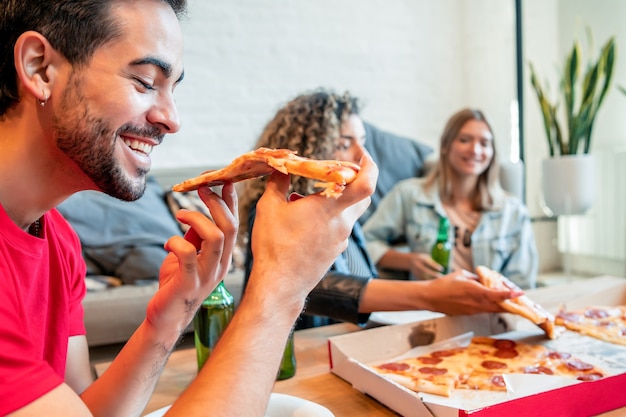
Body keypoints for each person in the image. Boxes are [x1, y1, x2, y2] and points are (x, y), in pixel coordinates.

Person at [0, 2, 377, 416]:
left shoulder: (57, 241)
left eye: (173, 88)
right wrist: (280, 286)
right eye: (145, 81)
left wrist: (167, 322)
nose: (171, 119)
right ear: (39, 68)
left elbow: (86, 412)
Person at [239, 90, 524, 329]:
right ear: (306, 147)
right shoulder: (275, 210)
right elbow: (310, 287)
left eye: (363, 143)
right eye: (344, 144)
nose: (362, 158)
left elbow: (363, 280)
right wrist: (428, 294)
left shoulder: (344, 206)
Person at [363, 108, 538, 289]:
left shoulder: (514, 211)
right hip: (430, 307)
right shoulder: (409, 194)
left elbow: (522, 284)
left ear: (492, 152)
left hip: (490, 311)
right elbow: (364, 242)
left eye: (485, 143)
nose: (475, 150)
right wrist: (408, 261)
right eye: (464, 140)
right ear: (446, 146)